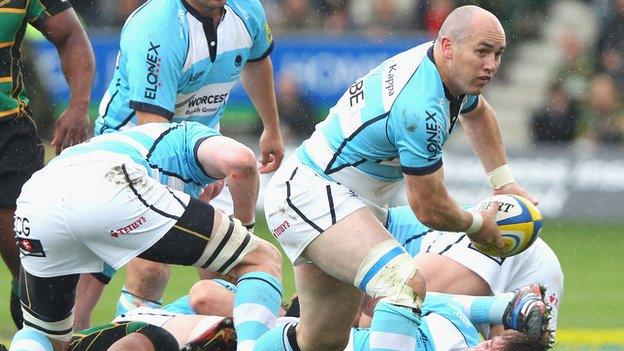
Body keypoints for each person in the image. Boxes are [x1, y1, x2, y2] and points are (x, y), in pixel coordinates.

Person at [258, 5, 536, 351]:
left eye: (498, 54)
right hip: (312, 195)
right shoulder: (420, 108)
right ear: (447, 45)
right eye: (482, 52)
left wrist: (503, 181)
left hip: (342, 201)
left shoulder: (443, 70)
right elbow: (429, 208)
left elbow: (476, 112)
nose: (492, 65)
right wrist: (480, 225)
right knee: (403, 284)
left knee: (321, 341)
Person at [9, 122, 283, 351]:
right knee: (261, 258)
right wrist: (244, 231)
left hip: (37, 198)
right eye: (215, 186)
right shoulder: (190, 135)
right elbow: (241, 162)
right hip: (107, 181)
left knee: (46, 334)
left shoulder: (128, 148)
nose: (209, 194)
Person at [92, 0, 285, 317]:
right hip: (134, 149)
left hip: (203, 145)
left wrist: (271, 127)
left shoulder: (247, 9)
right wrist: (192, 175)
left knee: (228, 270)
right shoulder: (156, 26)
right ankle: (130, 331)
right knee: (151, 268)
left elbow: (257, 60)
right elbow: (152, 129)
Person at [65, 283, 551, 351]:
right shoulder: (456, 325)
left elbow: (388, 306)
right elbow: (472, 305)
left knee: (200, 309)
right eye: (494, 342)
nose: (484, 345)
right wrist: (516, 308)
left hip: (302, 340)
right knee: (203, 297)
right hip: (299, 325)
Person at [0, 0, 94, 329]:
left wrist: (79, 105)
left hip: (8, 138)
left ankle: (35, 336)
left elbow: (69, 35)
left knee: (29, 263)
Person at [377, 205, 564, 338]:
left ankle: (504, 307)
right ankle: (504, 307)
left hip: (488, 242)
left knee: (394, 304)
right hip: (515, 252)